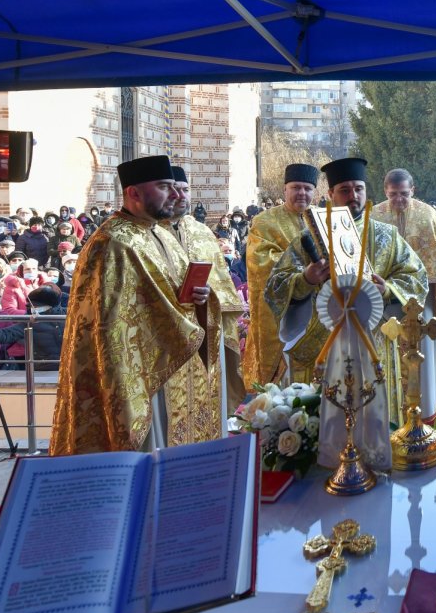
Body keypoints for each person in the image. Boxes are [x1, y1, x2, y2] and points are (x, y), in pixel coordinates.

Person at [51, 154, 223, 455]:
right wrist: (182, 318)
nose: (174, 194)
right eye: (163, 186)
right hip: (141, 372)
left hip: (173, 365)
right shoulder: (114, 243)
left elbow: (177, 294)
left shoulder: (160, 234)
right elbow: (111, 326)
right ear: (133, 193)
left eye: (173, 186)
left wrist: (201, 299)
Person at [266, 157, 427, 424]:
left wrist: (387, 289)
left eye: (358, 189)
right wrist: (305, 279)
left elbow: (416, 276)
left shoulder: (386, 235)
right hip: (324, 344)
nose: (353, 196)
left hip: (375, 344)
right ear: (330, 194)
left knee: (375, 419)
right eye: (344, 190)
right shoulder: (309, 236)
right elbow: (274, 287)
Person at [372, 168, 436, 412]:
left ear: (413, 190)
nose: (399, 199)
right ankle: (391, 411)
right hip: (386, 302)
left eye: (404, 194)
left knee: (424, 352)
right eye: (393, 194)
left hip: (422, 299)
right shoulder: (375, 216)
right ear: (385, 191)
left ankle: (428, 411)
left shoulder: (427, 214)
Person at [168, 165, 247, 414]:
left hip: (208, 328)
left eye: (186, 190)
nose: (181, 195)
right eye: (173, 190)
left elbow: (221, 283)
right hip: (169, 334)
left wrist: (210, 296)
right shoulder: (152, 232)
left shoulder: (201, 232)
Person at [242, 163, 321, 387]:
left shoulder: (322, 220)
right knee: (284, 386)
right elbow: (262, 264)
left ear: (314, 192)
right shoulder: (264, 221)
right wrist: (304, 273)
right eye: (296, 187)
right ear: (285, 189)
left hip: (319, 313)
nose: (302, 193)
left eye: (307, 188)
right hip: (285, 314)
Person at [0, 284, 66, 371]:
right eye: (31, 306)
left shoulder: (68, 314)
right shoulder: (28, 321)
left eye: (37, 306)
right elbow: (2, 336)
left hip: (71, 365)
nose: (33, 309)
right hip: (45, 368)